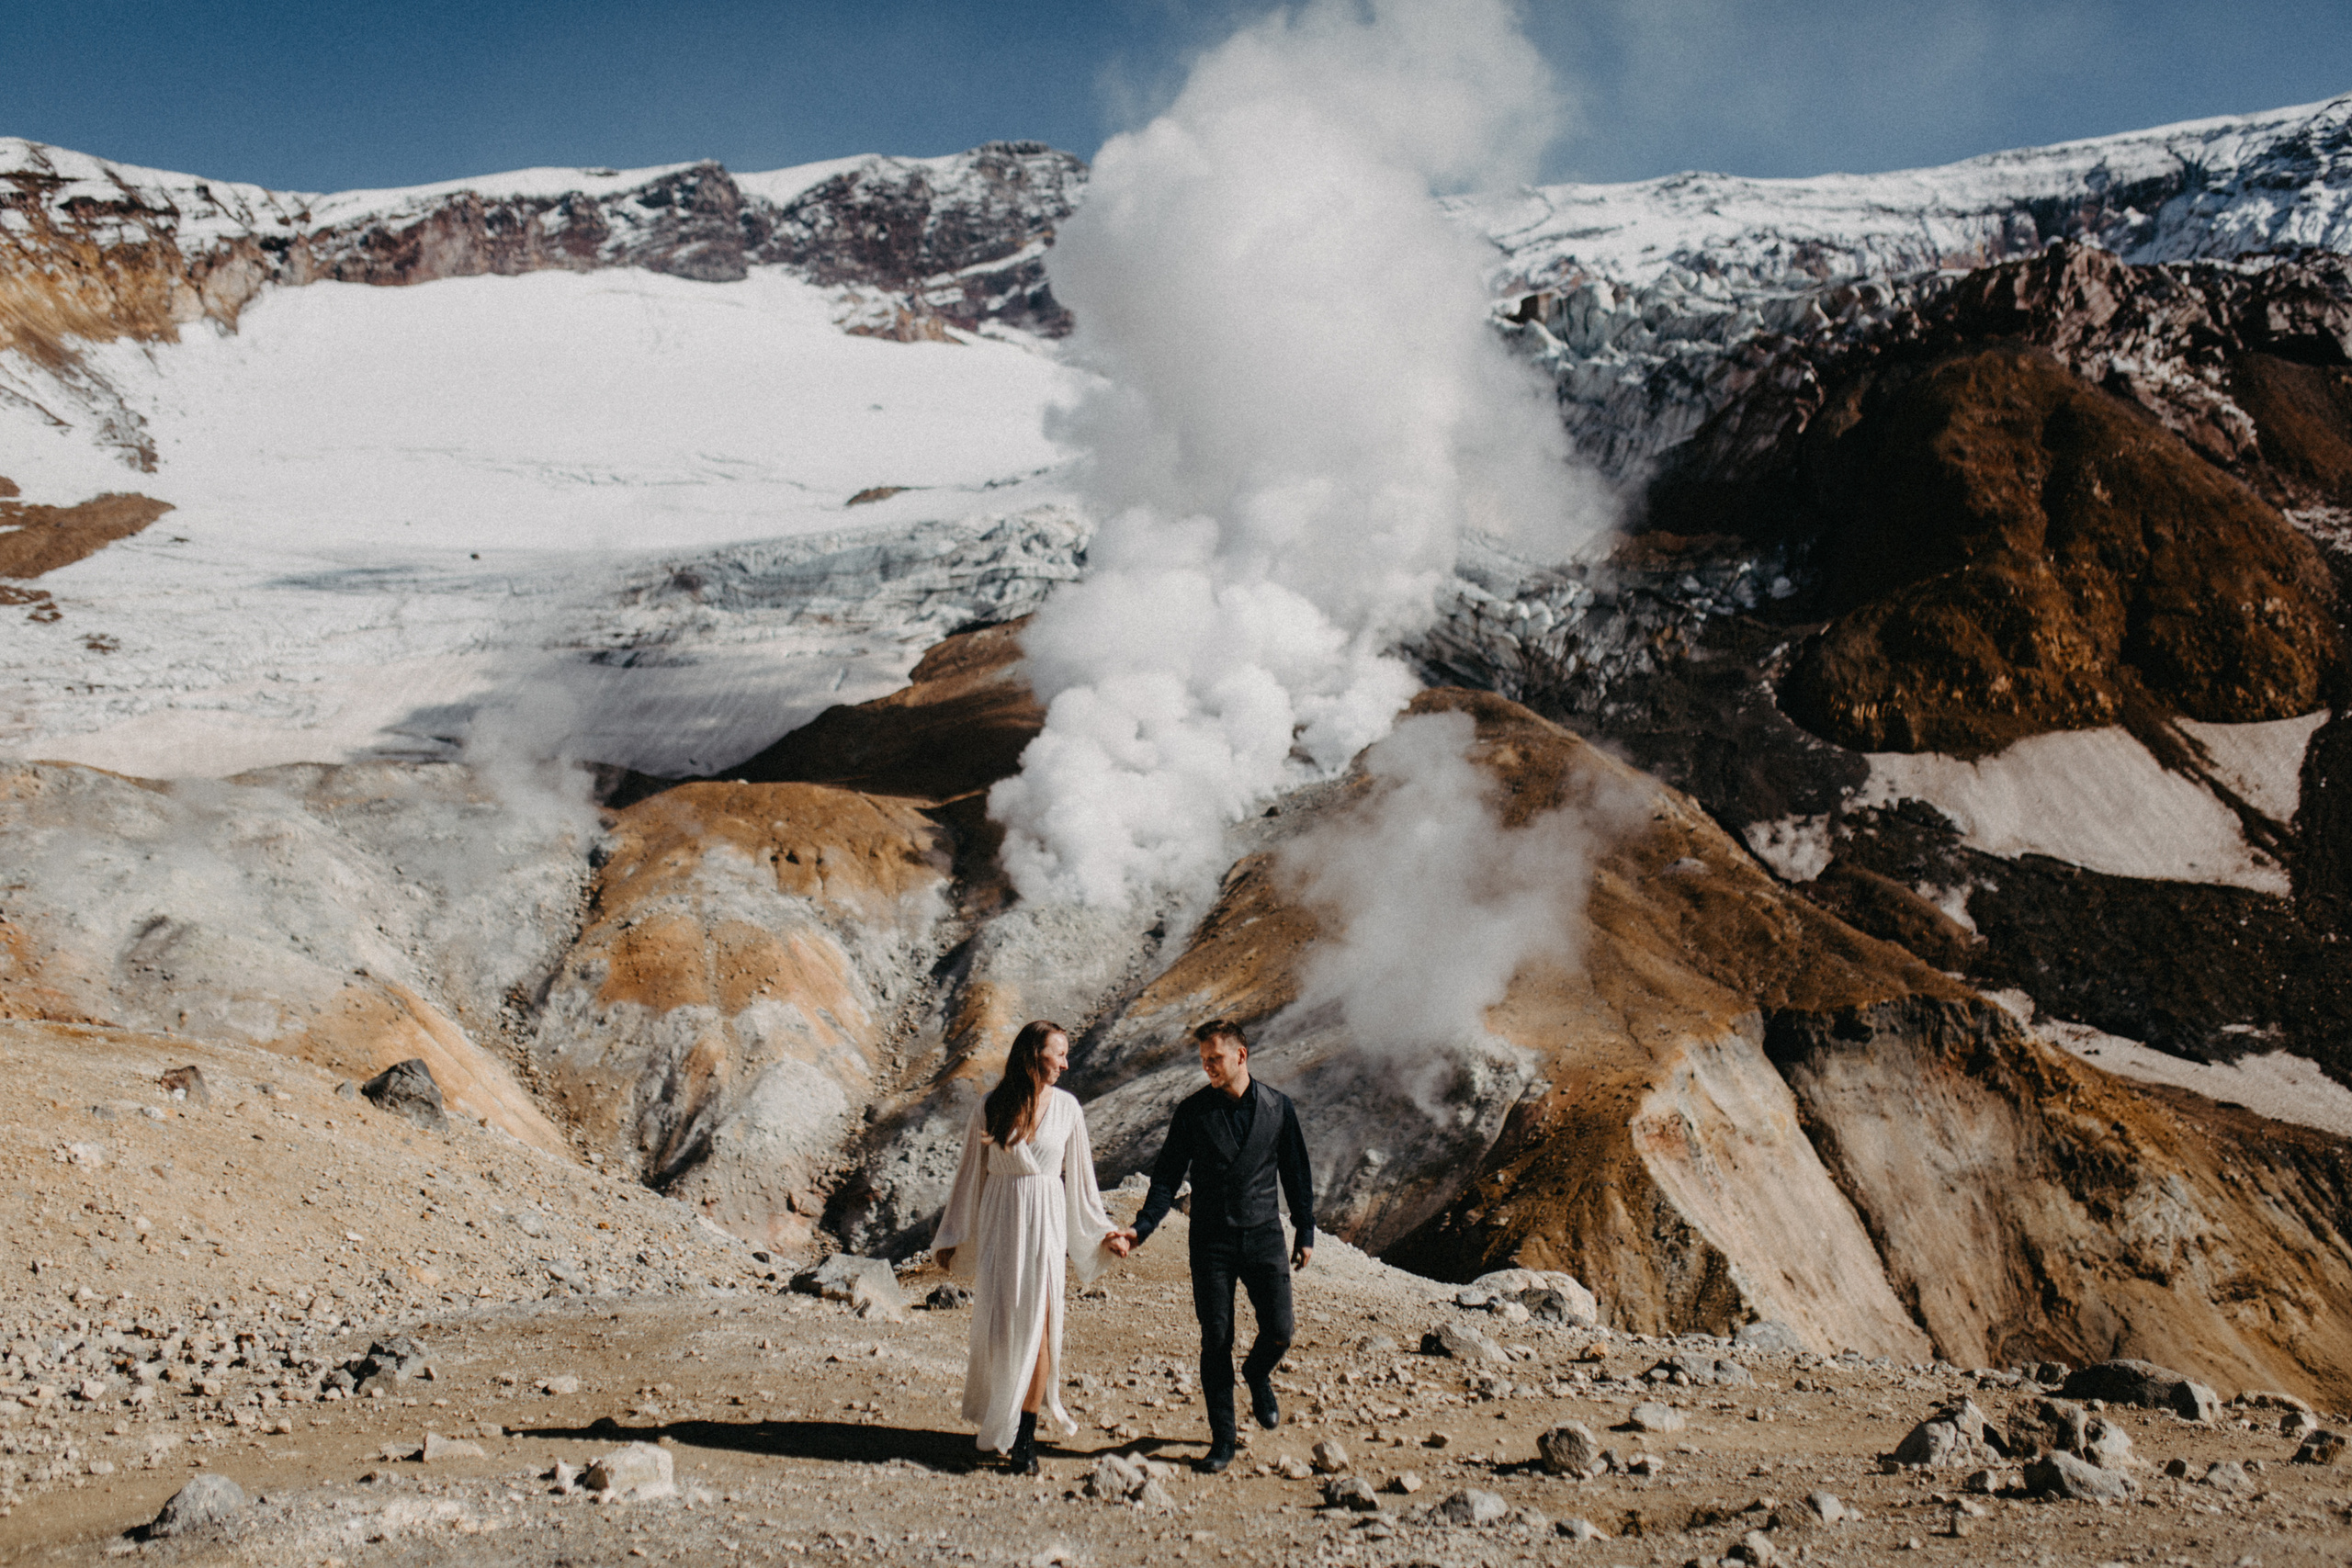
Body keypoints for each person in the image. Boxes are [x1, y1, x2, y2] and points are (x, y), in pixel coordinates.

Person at [931, 1019, 1123, 1475]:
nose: (1065, 1062)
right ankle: (1003, 1416)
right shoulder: (991, 1105)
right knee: (1001, 1327)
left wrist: (1104, 1232)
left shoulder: (1069, 1108)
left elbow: (1082, 1182)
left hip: (1046, 1224)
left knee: (1039, 1327)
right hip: (1002, 1219)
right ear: (1033, 1054)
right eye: (1059, 1052)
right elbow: (969, 1176)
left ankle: (1026, 1438)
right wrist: (952, 1237)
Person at [1123, 1019, 1315, 1473]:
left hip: (1265, 1233)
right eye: (1204, 1060)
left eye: (1215, 1058)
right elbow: (1167, 1176)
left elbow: (1296, 1173)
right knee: (1216, 1339)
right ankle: (1222, 1440)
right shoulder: (1192, 1112)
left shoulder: (1278, 1107)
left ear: (1241, 1056)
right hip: (1211, 1241)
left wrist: (1305, 1230)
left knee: (1281, 1331)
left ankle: (1256, 1374)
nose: (1208, 1067)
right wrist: (1141, 1227)